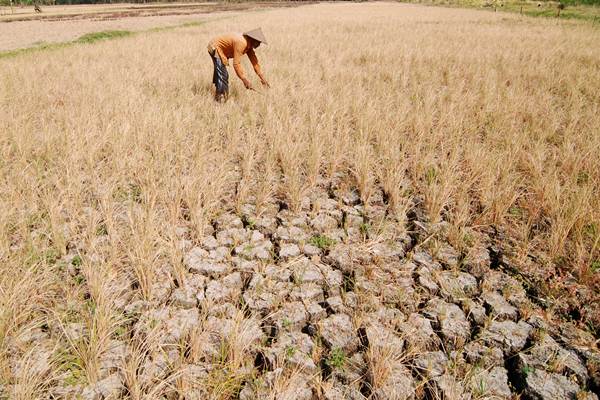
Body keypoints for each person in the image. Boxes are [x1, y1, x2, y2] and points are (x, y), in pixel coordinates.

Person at [207, 28, 270, 102]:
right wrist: (244, 80)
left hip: (221, 49)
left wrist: (263, 78)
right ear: (253, 39)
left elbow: (254, 62)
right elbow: (236, 64)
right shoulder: (242, 43)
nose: (259, 44)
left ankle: (219, 95)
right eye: (258, 42)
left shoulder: (249, 46)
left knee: (221, 72)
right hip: (215, 46)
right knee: (223, 74)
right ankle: (221, 98)